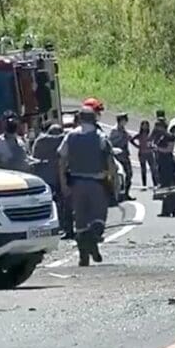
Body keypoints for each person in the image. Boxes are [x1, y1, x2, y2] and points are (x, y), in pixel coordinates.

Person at [58, 105, 117, 267]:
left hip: (76, 183)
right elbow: (111, 163)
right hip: (96, 183)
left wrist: (63, 184)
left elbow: (62, 161)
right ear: (94, 119)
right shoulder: (100, 137)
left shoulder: (69, 136)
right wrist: (112, 181)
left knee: (80, 222)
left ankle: (84, 256)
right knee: (98, 219)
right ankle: (92, 242)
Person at [32, 123, 74, 239]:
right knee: (66, 205)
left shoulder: (40, 141)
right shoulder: (65, 140)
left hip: (46, 179)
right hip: (63, 178)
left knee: (49, 205)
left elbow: (33, 157)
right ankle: (67, 228)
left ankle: (48, 228)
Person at [153, 116, 175, 217]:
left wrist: (158, 149)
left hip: (168, 163)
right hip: (162, 163)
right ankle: (166, 209)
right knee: (164, 187)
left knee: (169, 187)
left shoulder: (169, 136)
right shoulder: (160, 136)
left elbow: (169, 149)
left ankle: (170, 209)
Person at [108, 113, 135, 200]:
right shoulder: (114, 131)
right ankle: (118, 193)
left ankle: (126, 193)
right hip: (118, 156)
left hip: (125, 155)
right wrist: (122, 139)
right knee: (119, 175)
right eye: (125, 119)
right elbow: (111, 143)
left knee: (129, 174)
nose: (126, 121)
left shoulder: (123, 129)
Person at [130, 120, 159, 189]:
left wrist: (153, 147)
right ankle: (144, 184)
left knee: (153, 169)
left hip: (149, 153)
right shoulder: (139, 135)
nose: (145, 127)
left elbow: (154, 141)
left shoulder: (150, 135)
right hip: (142, 153)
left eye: (146, 125)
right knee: (143, 169)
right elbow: (131, 140)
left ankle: (155, 184)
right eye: (143, 125)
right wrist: (137, 146)